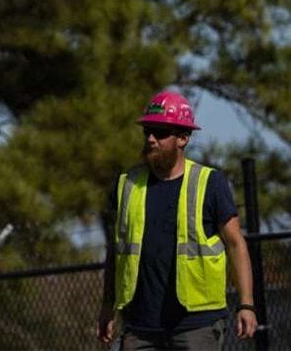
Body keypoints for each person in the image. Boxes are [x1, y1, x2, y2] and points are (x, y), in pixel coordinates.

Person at [97, 90, 258, 349]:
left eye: (160, 133)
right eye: (147, 131)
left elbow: (236, 244)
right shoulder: (127, 184)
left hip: (196, 324)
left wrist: (247, 304)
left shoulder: (210, 183)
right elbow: (116, 251)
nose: (150, 139)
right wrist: (107, 306)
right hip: (140, 326)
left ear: (183, 138)